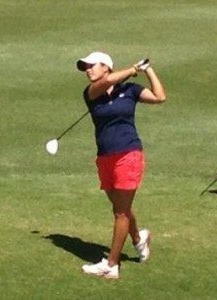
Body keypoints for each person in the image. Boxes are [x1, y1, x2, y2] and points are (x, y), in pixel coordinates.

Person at [76, 51, 166, 279]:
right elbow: (106, 82)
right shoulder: (91, 93)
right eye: (86, 67)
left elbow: (159, 97)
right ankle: (139, 238)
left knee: (121, 212)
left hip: (129, 153)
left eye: (91, 65)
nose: (88, 70)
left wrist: (147, 70)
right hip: (105, 157)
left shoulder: (130, 90)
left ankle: (112, 264)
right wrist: (131, 70)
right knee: (119, 205)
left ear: (105, 66)